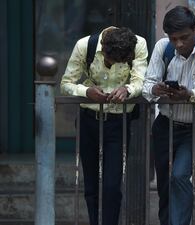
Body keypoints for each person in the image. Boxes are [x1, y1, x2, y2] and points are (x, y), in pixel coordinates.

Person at [60, 27, 148, 225]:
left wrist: (128, 89)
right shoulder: (85, 46)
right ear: (103, 50)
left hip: (118, 122)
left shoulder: (139, 44)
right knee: (91, 184)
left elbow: (141, 80)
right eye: (110, 62)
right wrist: (86, 91)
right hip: (88, 119)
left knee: (112, 185)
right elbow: (65, 84)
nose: (113, 66)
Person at [142, 6, 195, 225]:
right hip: (166, 125)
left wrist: (190, 94)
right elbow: (147, 85)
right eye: (173, 38)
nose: (179, 44)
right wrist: (157, 90)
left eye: (184, 37)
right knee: (166, 184)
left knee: (179, 175)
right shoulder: (162, 47)